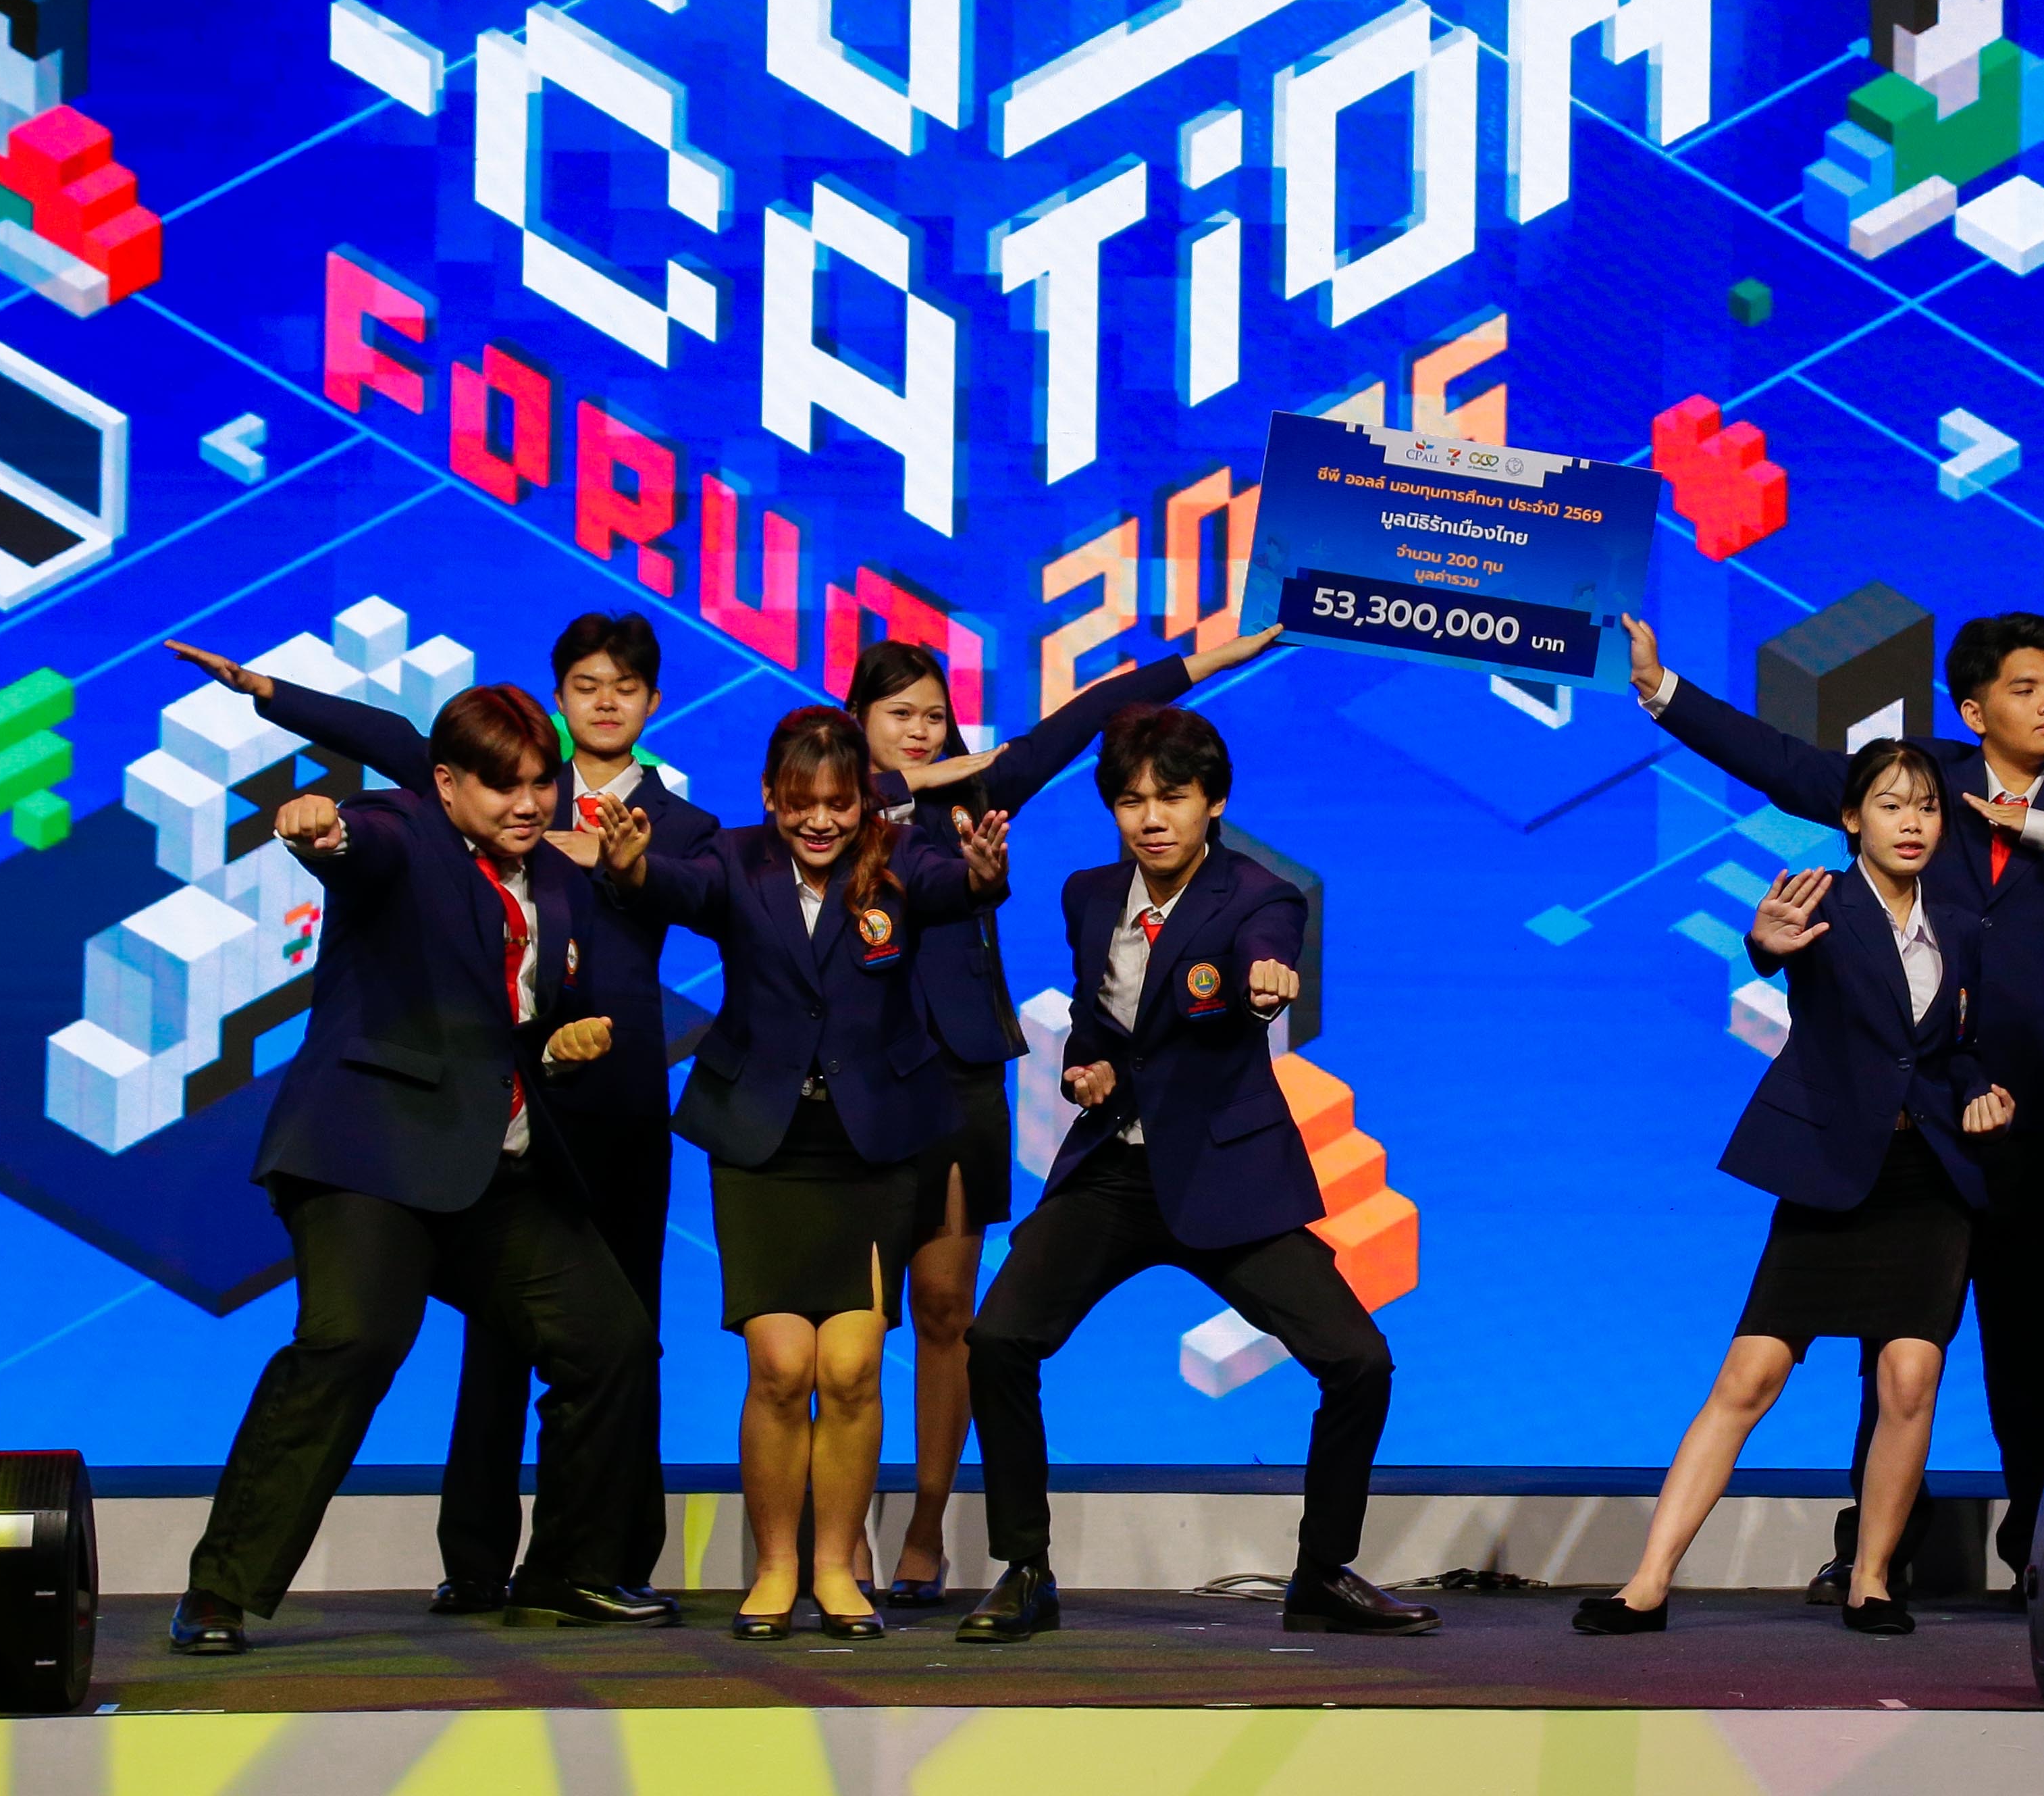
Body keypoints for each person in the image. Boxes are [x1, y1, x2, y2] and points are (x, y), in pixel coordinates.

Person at [165, 612, 714, 1613]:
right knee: (354, 1344)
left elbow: (517, 1015)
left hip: (494, 1172)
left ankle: (567, 1571)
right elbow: (357, 845)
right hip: (369, 1162)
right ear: (448, 784)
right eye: (504, 786)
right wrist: (321, 831)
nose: (528, 802)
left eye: (539, 783)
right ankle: (221, 1593)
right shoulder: (404, 829)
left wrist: (561, 1045)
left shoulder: (560, 879)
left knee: (613, 1344)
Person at [1622, 608, 2044, 1594]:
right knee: (1892, 1349)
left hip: (2038, 1124)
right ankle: (1876, 1556)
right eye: (2026, 689)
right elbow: (1785, 765)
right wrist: (1662, 690)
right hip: (1912, 1123)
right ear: (1974, 709)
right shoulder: (1921, 787)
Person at [955, 703, 1434, 1645]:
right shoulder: (1089, 896)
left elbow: (1264, 954)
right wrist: (1084, 1068)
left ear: (1213, 801)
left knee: (1359, 1362)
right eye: (1131, 801)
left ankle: (1321, 1573)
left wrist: (1268, 980)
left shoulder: (1261, 895)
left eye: (1172, 797)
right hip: (1114, 1171)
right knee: (998, 1340)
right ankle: (1025, 1570)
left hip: (1225, 1176)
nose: (1152, 818)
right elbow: (1096, 1025)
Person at [840, 623, 1280, 1606]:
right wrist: (908, 785)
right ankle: (842, 1538)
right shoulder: (835, 804)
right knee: (854, 1332)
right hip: (862, 1086)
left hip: (960, 1082)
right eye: (899, 714)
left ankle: (925, 1527)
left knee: (949, 1315)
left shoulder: (977, 795)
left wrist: (1220, 657)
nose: (921, 730)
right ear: (857, 720)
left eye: (934, 715)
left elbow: (1087, 717)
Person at [1576, 740, 2018, 1638]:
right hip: (1830, 1172)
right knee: (1752, 1374)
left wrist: (1984, 1093)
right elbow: (1772, 950)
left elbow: (1956, 1050)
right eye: (1890, 805)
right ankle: (1647, 1583)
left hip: (1928, 1178)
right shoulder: (1821, 901)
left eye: (1926, 807)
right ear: (1852, 819)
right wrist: (1762, 945)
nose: (1911, 823)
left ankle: (1872, 1581)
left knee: (1910, 1378)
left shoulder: (1961, 923)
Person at [598, 711, 999, 1640]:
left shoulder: (901, 858)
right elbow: (676, 886)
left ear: (865, 801)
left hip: (871, 1148)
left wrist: (984, 874)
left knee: (851, 1369)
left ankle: (835, 1568)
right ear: (771, 797)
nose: (820, 820)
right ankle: (778, 1566)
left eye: (839, 803)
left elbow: (956, 889)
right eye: (801, 802)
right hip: (761, 1146)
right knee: (781, 1367)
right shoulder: (735, 861)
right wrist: (628, 869)